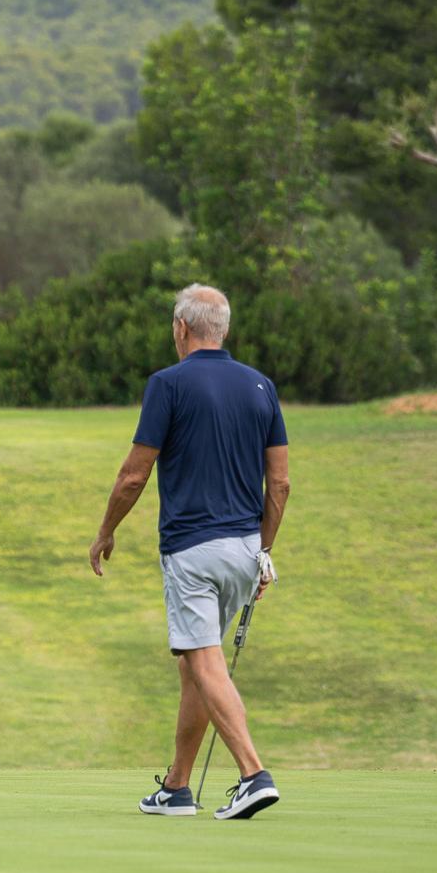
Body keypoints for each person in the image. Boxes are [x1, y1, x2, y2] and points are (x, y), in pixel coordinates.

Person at [88, 285, 290, 820]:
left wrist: (106, 531)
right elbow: (282, 485)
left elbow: (134, 473)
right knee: (198, 667)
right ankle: (177, 787)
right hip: (246, 549)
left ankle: (252, 774)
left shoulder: (168, 384)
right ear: (222, 328)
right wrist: (264, 549)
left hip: (192, 550)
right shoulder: (261, 386)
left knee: (203, 660)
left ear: (181, 328)